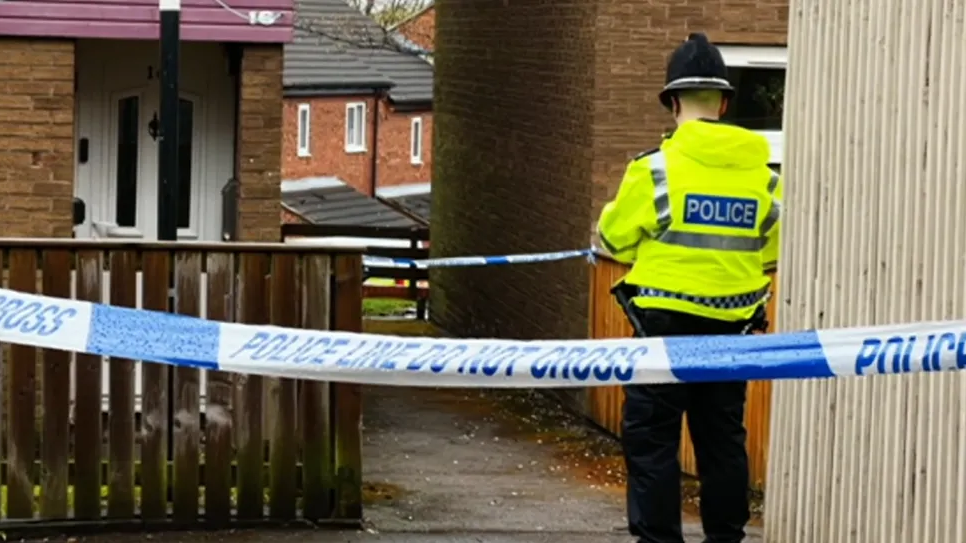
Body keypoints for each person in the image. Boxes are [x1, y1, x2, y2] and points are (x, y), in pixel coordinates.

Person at [595, 32, 782, 543]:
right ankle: (725, 538)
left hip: (662, 331)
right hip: (732, 332)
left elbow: (611, 238)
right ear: (724, 102)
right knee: (722, 441)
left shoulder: (652, 170)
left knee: (652, 440)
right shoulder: (765, 179)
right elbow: (769, 255)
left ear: (673, 102)